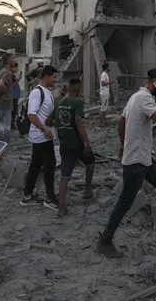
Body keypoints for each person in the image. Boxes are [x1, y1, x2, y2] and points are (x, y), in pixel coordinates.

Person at [97, 68, 156, 258]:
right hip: (136, 161)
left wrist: (122, 143)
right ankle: (105, 241)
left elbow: (122, 121)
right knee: (125, 202)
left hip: (144, 158)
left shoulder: (136, 96)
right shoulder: (145, 99)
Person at [52, 77, 95, 217]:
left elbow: (51, 120)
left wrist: (62, 128)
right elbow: (78, 121)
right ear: (78, 89)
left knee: (65, 175)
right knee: (91, 162)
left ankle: (61, 209)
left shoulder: (60, 103)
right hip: (77, 143)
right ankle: (87, 191)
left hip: (64, 143)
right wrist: (86, 142)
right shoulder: (77, 102)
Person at [21, 65, 60, 210]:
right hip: (41, 136)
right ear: (46, 77)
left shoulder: (46, 91)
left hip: (44, 135)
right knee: (50, 164)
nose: (55, 80)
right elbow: (31, 115)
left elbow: (47, 108)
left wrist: (61, 95)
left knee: (36, 165)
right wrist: (44, 129)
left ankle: (27, 195)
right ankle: (50, 198)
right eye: (54, 77)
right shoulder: (37, 92)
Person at [0, 57, 16, 144]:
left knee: (0, 125)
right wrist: (7, 93)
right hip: (5, 103)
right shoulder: (6, 73)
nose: (14, 61)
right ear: (8, 61)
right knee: (5, 126)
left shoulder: (1, 71)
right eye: (12, 59)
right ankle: (4, 145)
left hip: (1, 102)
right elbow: (0, 84)